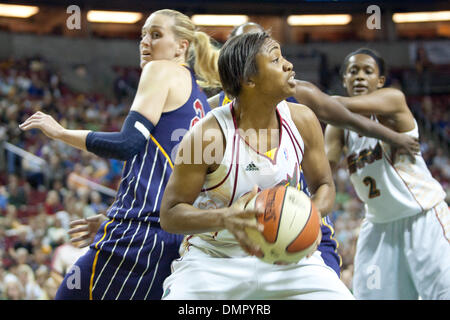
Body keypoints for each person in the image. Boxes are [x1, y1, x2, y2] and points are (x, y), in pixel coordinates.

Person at [19, 9, 220, 300]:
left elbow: (128, 143)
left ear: (182, 46)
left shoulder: (160, 70)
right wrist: (109, 218)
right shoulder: (201, 99)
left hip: (138, 235)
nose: (145, 42)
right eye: (143, 35)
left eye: (156, 34)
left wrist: (61, 133)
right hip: (176, 238)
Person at [207, 22, 420, 277]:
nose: (260, 49)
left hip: (301, 206)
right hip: (238, 228)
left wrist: (393, 137)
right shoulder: (212, 115)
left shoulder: (299, 94)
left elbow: (346, 117)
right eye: (250, 45)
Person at [159, 31, 354, 299]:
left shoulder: (303, 120)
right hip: (215, 260)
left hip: (289, 259)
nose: (288, 65)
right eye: (276, 60)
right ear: (248, 79)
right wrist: (225, 218)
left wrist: (309, 215)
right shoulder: (207, 135)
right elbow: (169, 215)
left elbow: (324, 185)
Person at [324, 48, 450, 300]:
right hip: (378, 225)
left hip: (422, 217)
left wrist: (301, 94)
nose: (359, 76)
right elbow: (324, 173)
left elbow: (331, 105)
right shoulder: (337, 128)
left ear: (380, 81)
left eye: (367, 71)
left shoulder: (393, 100)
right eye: (353, 71)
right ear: (345, 80)